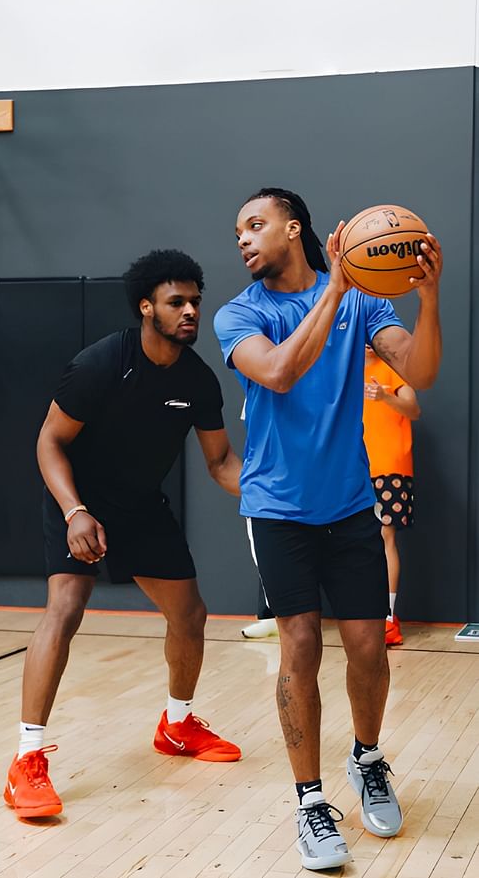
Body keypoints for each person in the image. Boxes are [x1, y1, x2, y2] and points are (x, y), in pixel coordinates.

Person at [214, 187, 442, 871]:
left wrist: (429, 298)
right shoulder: (240, 312)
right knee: (302, 646)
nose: (245, 240)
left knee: (370, 648)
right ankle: (311, 801)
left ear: (295, 227)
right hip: (278, 508)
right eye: (238, 232)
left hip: (348, 505)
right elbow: (280, 373)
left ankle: (368, 758)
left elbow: (420, 370)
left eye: (255, 225)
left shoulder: (368, 302)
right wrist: (335, 288)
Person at [5, 249, 243, 820]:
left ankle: (177, 726)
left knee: (190, 615)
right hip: (79, 500)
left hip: (140, 506)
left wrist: (275, 491)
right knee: (65, 607)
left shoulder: (198, 379)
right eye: (176, 302)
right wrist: (73, 511)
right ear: (146, 307)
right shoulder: (104, 361)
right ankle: (26, 761)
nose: (190, 311)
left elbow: (220, 462)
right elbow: (48, 441)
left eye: (194, 301)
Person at [364, 345, 421, 645]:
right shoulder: (345, 369)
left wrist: (386, 397)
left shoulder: (396, 368)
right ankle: (365, 616)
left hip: (389, 466)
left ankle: (388, 617)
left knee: (385, 536)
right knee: (354, 541)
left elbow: (414, 409)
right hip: (353, 467)